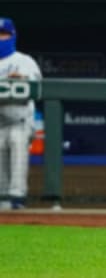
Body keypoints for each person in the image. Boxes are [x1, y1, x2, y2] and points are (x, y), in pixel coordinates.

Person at [0, 18, 42, 210]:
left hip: (19, 119)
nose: (1, 38)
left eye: (4, 34)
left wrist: (22, 80)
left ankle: (17, 200)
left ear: (13, 35)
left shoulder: (24, 60)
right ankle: (3, 200)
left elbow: (37, 86)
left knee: (18, 157)